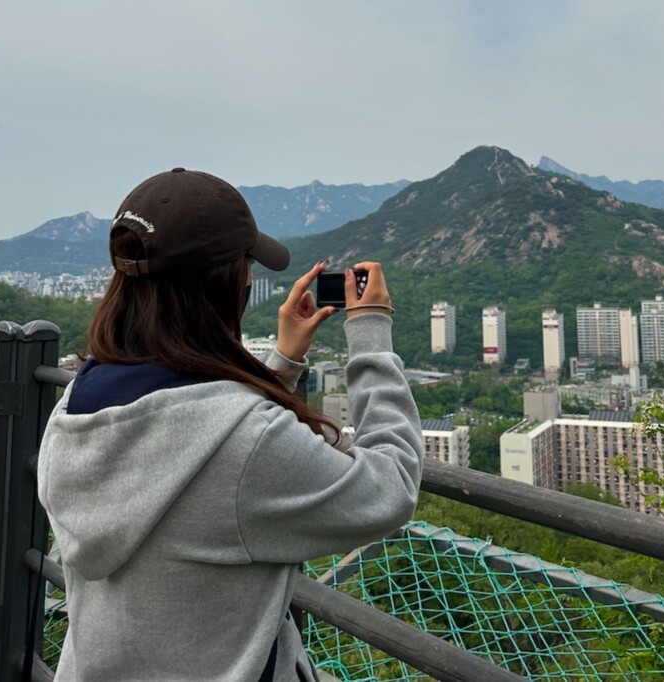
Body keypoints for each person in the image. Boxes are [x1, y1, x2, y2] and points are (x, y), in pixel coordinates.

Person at [37, 168, 423, 681]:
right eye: (246, 266)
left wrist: (282, 362)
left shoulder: (77, 408)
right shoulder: (248, 444)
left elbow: (199, 438)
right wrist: (371, 332)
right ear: (227, 284)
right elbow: (388, 490)